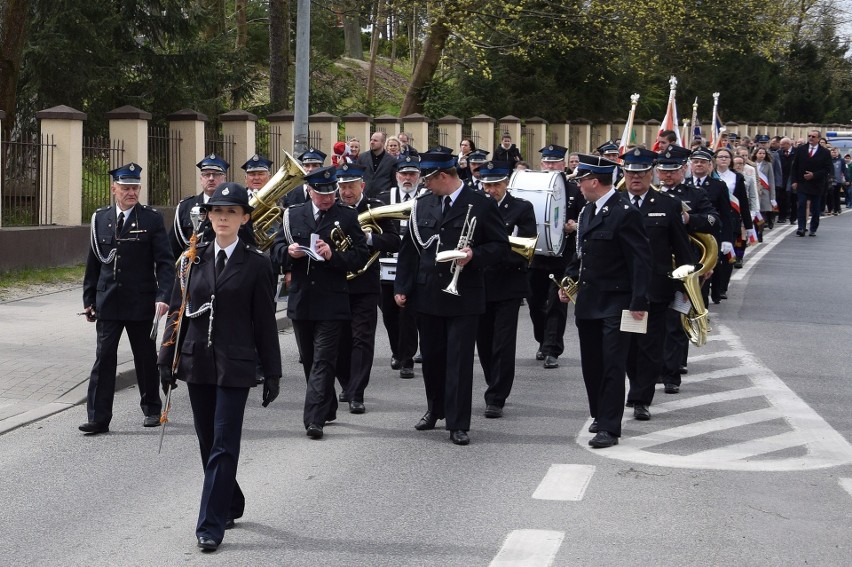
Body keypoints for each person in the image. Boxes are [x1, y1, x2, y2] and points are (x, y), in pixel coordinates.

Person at [157, 182, 281, 552]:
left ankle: (210, 526)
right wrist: (165, 360)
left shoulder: (257, 263)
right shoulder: (191, 258)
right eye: (216, 212)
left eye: (231, 212)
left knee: (224, 441)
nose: (222, 218)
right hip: (197, 360)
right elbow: (178, 313)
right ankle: (231, 499)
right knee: (208, 440)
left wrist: (271, 371)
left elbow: (264, 321)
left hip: (236, 363)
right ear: (208, 217)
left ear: (244, 218)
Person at [394, 150, 509, 446]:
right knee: (431, 359)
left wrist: (475, 256)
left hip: (464, 296)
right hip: (428, 292)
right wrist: (402, 287)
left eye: (428, 179)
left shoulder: (480, 204)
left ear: (443, 176)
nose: (424, 185)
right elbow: (410, 250)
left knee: (458, 361)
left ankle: (458, 423)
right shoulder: (422, 204)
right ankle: (435, 410)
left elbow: (500, 246)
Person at [559, 154, 652, 449]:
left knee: (613, 363)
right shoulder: (587, 211)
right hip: (589, 300)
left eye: (580, 181)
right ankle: (599, 414)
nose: (578, 187)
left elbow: (641, 260)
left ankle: (610, 428)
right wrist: (568, 281)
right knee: (593, 364)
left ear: (594, 182)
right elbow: (581, 254)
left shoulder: (625, 211)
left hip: (618, 301)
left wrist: (639, 301)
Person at [272, 166, 369, 439]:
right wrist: (289, 252)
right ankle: (327, 406)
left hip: (332, 300)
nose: (327, 199)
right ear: (309, 191)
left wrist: (332, 256)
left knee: (324, 360)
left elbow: (361, 255)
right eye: (321, 194)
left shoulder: (347, 216)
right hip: (302, 300)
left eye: (331, 193)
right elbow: (275, 251)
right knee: (310, 360)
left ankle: (314, 420)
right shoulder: (293, 214)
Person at [80, 163, 174, 434]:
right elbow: (94, 263)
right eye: (126, 188)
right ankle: (98, 417)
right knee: (104, 358)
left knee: (145, 357)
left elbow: (165, 263)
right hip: (108, 300)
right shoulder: (100, 218)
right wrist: (89, 299)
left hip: (141, 301)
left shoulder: (151, 219)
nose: (131, 193)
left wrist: (163, 296)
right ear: (114, 189)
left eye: (135, 188)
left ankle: (152, 409)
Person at [620, 148, 695, 422]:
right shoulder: (615, 202)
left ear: (651, 173)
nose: (635, 178)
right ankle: (635, 383)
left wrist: (687, 282)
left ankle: (641, 398)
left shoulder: (667, 204)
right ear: (624, 174)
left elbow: (682, 247)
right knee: (628, 346)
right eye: (630, 173)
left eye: (640, 173)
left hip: (656, 288)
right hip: (622, 289)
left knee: (650, 347)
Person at [334, 163, 399, 413]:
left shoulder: (375, 209)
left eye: (351, 186)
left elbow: (394, 240)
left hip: (365, 283)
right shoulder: (333, 209)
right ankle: (346, 383)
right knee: (339, 340)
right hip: (337, 283)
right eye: (342, 187)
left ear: (362, 185)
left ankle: (356, 392)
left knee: (362, 338)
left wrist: (369, 239)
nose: (346, 191)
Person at [655, 146, 721, 393]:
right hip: (655, 266)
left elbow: (714, 220)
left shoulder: (695, 194)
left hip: (683, 266)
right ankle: (655, 368)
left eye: (672, 170)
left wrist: (688, 219)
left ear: (683, 169)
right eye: (662, 170)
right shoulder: (649, 195)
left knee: (675, 319)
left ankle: (671, 375)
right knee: (653, 322)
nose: (667, 175)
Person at [476, 161, 537, 418]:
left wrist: (490, 253)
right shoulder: (476, 206)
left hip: (509, 284)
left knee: (503, 342)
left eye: (496, 185)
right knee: (484, 341)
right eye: (487, 185)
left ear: (506, 184)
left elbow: (525, 250)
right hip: (479, 283)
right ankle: (494, 381)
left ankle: (497, 396)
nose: (490, 190)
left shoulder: (522, 208)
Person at [527, 144, 583, 369]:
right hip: (536, 256)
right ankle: (543, 340)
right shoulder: (532, 188)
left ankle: (552, 349)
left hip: (563, 257)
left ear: (563, 164)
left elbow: (585, 219)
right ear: (541, 165)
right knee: (534, 304)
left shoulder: (574, 191)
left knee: (556, 304)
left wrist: (575, 226)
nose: (551, 166)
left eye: (555, 162)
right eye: (547, 162)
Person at [377, 156, 422, 379]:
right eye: (404, 174)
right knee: (389, 314)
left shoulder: (426, 198)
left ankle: (407, 359)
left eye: (412, 174)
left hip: (413, 266)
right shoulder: (385, 198)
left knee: (409, 313)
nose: (407, 178)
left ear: (419, 177)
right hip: (386, 265)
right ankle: (397, 350)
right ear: (396, 176)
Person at [170, 154, 256, 257]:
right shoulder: (185, 206)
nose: (211, 178)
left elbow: (248, 241)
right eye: (206, 174)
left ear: (224, 178)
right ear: (201, 178)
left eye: (216, 174)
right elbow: (173, 247)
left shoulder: (238, 206)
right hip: (193, 267)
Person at [685, 148, 734, 304]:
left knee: (707, 274)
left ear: (710, 166)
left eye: (703, 162)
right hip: (688, 238)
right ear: (690, 165)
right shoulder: (684, 185)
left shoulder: (718, 185)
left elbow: (726, 214)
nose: (699, 165)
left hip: (710, 237)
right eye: (696, 162)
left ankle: (706, 304)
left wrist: (727, 238)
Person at [711, 148, 753, 300]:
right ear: (715, 159)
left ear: (731, 160)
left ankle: (723, 287)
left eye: (726, 157)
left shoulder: (737, 177)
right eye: (720, 157)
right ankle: (713, 285)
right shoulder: (711, 176)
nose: (723, 159)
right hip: (713, 220)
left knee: (727, 255)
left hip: (731, 220)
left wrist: (748, 225)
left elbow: (743, 202)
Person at [791, 129, 833, 236]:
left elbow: (828, 169)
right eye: (809, 136)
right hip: (802, 182)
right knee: (801, 204)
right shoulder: (801, 149)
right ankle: (801, 228)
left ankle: (813, 228)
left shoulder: (825, 152)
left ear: (818, 139)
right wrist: (794, 181)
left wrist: (814, 175)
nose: (810, 138)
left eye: (813, 136)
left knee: (815, 208)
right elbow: (795, 166)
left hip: (817, 184)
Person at [356, 131, 398, 198]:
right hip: (365, 197)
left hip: (384, 199)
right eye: (371, 140)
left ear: (383, 143)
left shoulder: (392, 160)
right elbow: (357, 178)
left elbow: (394, 182)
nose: (372, 142)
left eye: (375, 140)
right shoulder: (362, 157)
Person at [751, 146, 777, 232]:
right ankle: (757, 228)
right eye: (760, 153)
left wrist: (773, 197)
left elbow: (771, 180)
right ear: (755, 154)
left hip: (765, 192)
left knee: (763, 212)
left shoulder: (768, 164)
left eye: (763, 153)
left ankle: (761, 229)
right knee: (755, 212)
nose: (762, 155)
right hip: (754, 191)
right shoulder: (751, 164)